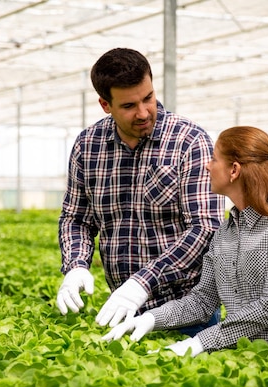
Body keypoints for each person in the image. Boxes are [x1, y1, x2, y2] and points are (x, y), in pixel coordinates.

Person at [102, 126, 268, 359]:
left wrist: (200, 342)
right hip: (237, 353)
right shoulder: (225, 231)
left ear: (234, 170)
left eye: (214, 159)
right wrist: (151, 319)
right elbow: (202, 300)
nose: (207, 165)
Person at [56, 47, 225, 332]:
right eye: (129, 106)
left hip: (186, 312)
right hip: (121, 309)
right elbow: (76, 218)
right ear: (105, 105)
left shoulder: (189, 141)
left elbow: (205, 227)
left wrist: (142, 282)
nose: (144, 112)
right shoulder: (88, 146)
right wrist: (76, 265)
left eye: (148, 98)